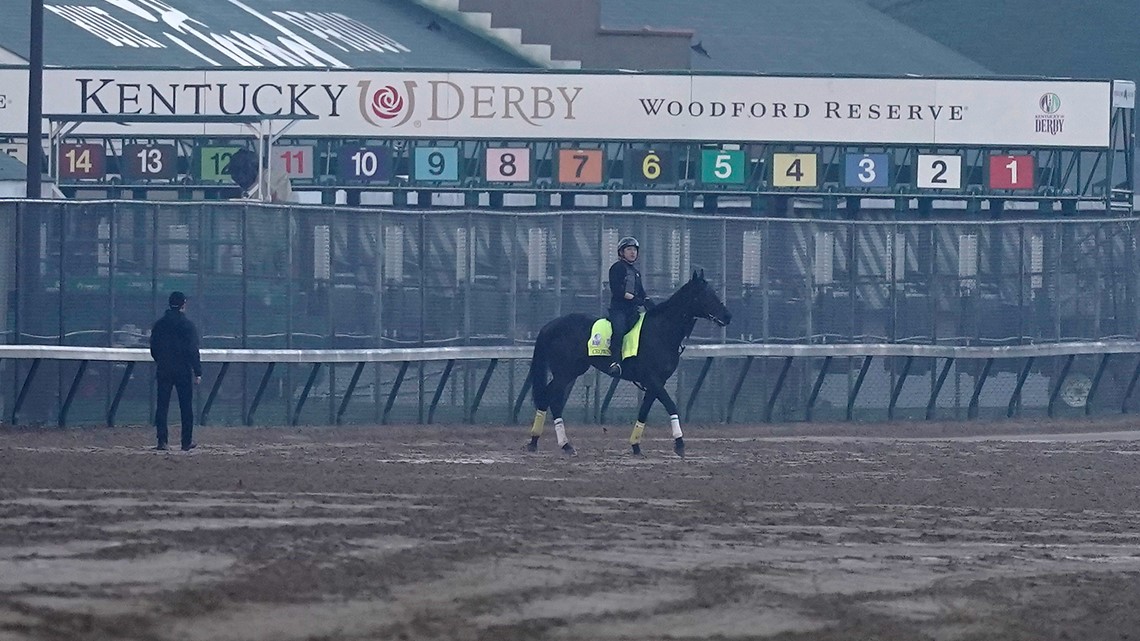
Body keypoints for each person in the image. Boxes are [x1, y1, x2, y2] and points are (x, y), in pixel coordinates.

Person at [150, 291, 202, 451]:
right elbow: (193, 350)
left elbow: (154, 348)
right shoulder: (188, 325)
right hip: (183, 370)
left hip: (164, 369)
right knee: (186, 406)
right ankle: (186, 441)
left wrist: (161, 361)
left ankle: (162, 441)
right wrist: (197, 371)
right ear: (182, 304)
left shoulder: (159, 324)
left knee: (162, 405)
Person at [606, 236, 652, 376]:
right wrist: (635, 299)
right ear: (621, 252)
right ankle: (615, 362)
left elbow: (641, 292)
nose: (633, 253)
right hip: (619, 310)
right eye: (629, 249)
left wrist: (650, 303)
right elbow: (618, 291)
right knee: (619, 330)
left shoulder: (636, 272)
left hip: (633, 310)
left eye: (635, 250)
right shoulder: (617, 268)